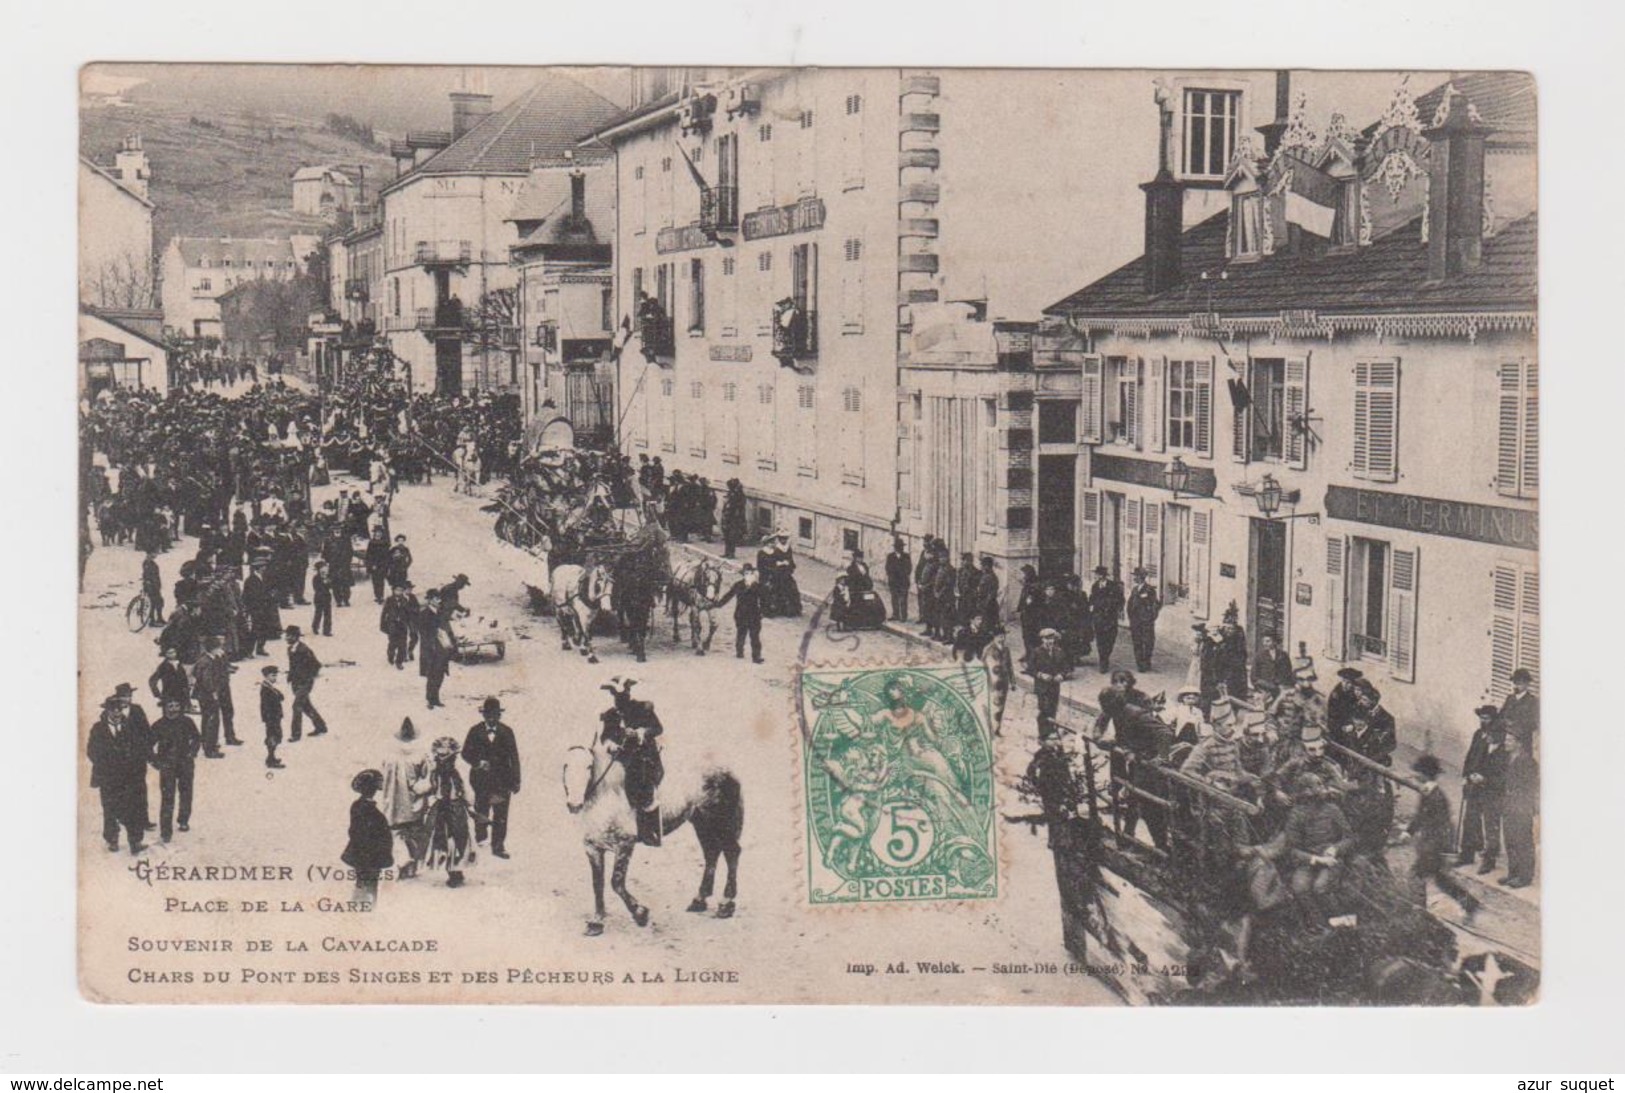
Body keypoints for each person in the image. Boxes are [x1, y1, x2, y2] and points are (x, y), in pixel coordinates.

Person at [1252, 773, 1356, 926]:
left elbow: (1349, 838)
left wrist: (1335, 849)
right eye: (1318, 785)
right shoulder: (1296, 815)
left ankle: (1345, 924)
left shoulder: (1333, 810)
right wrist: (1314, 859)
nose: (1323, 789)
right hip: (1308, 861)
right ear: (1307, 791)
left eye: (1322, 784)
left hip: (1332, 859)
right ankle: (1320, 926)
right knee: (1299, 887)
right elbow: (1292, 849)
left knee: (1320, 887)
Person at [1398, 755, 1480, 921]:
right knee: (1441, 880)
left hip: (1433, 845)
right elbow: (1420, 816)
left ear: (1424, 774)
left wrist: (1431, 847)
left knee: (1416, 876)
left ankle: (1419, 913)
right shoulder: (1429, 792)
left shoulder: (1435, 796)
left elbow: (1439, 825)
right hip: (1432, 844)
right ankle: (1469, 904)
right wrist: (1409, 831)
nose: (1414, 775)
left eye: (1417, 772)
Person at [600, 679, 666, 847]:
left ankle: (648, 829)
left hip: (644, 757)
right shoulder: (611, 714)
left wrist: (640, 732)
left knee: (641, 785)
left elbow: (658, 728)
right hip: (619, 759)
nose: (618, 700)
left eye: (622, 696)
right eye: (615, 696)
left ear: (628, 694)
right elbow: (605, 736)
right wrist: (610, 744)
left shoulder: (643, 709)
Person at [87, 694, 148, 854]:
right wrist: (108, 763)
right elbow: (92, 751)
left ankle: (135, 841)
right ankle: (112, 839)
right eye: (112, 710)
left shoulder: (130, 726)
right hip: (107, 777)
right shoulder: (98, 729)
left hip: (128, 776)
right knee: (109, 808)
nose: (116, 713)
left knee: (132, 807)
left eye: (118, 709)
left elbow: (138, 748)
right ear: (107, 711)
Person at [463, 697, 522, 859]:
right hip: (480, 780)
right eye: (488, 714)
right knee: (481, 809)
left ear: (499, 715)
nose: (491, 718)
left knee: (501, 814)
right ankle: (480, 839)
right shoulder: (475, 731)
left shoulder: (507, 731)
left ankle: (498, 846)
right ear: (483, 715)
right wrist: (478, 762)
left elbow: (514, 757)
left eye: (495, 714)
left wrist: (516, 781)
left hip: (503, 781)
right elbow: (465, 753)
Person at [1458, 704, 1508, 875]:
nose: (1482, 721)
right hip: (1474, 786)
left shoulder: (1504, 745)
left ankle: (1489, 860)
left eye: (1486, 719)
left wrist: (1485, 778)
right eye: (1481, 717)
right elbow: (1470, 757)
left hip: (1492, 791)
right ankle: (1466, 855)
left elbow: (1504, 773)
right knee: (1470, 820)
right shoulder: (1478, 734)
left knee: (1490, 825)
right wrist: (1467, 776)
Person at [379, 718, 430, 878]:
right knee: (414, 834)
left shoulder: (388, 755)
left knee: (397, 834)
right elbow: (427, 779)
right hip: (412, 802)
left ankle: (402, 862)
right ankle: (412, 865)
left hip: (393, 802)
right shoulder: (420, 754)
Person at [422, 736, 475, 888]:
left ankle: (456, 871)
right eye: (439, 754)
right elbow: (430, 785)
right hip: (441, 807)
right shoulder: (434, 769)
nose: (442, 757)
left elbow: (465, 787)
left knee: (458, 838)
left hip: (455, 807)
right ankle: (450, 870)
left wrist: (469, 803)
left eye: (446, 754)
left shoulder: (458, 769)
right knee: (442, 839)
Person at [149, 696, 201, 841]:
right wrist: (156, 762)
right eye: (170, 705)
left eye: (176, 705)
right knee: (167, 797)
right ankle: (166, 831)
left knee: (186, 793)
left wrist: (192, 753)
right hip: (167, 766)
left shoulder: (187, 722)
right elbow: (147, 746)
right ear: (164, 708)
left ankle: (183, 820)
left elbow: (196, 738)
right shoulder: (158, 725)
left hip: (185, 764)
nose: (174, 709)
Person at [341, 770, 394, 909]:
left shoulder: (357, 806)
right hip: (371, 856)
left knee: (361, 883)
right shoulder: (369, 809)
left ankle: (357, 907)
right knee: (370, 885)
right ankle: (366, 910)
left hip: (362, 854)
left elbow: (353, 831)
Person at [1499, 732, 1539, 888]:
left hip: (1521, 806)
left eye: (1509, 740)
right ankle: (1513, 874)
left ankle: (1525, 877)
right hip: (1509, 804)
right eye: (1506, 739)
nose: (1506, 742)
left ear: (1519, 743)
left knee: (1523, 841)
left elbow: (1530, 787)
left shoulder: (1528, 762)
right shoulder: (1509, 758)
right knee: (1510, 840)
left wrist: (1526, 806)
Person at [192, 635, 239, 756]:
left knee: (214, 718)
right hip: (210, 694)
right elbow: (206, 679)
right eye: (219, 646)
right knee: (211, 720)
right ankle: (209, 748)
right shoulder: (206, 661)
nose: (221, 648)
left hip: (218, 690)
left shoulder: (214, 657)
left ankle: (211, 743)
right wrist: (213, 692)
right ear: (213, 648)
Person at [284, 625, 328, 739]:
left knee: (296, 706)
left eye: (288, 636)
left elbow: (316, 665)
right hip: (295, 683)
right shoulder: (290, 649)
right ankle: (321, 726)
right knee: (306, 706)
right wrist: (290, 676)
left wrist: (308, 678)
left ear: (295, 637)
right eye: (286, 635)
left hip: (304, 683)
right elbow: (293, 665)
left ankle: (296, 735)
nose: (286, 638)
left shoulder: (304, 650)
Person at [715, 564, 765, 664]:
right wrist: (718, 604)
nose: (748, 575)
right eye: (746, 573)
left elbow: (764, 600)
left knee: (755, 636)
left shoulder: (758, 586)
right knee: (741, 633)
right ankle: (739, 650)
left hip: (754, 614)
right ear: (743, 575)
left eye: (750, 573)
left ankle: (756, 656)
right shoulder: (738, 585)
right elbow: (729, 595)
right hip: (741, 614)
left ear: (753, 574)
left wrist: (763, 612)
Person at [1031, 628, 1072, 740]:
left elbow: (1067, 668)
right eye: (1047, 639)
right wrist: (1040, 675)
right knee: (1044, 709)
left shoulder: (1059, 652)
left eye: (1052, 639)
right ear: (1042, 640)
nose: (1050, 642)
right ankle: (1043, 733)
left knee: (1053, 708)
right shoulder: (1036, 652)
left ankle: (1050, 730)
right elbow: (1031, 668)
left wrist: (1062, 675)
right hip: (1042, 687)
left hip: (1054, 686)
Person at [417, 589, 454, 708]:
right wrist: (432, 640)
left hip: (442, 648)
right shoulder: (424, 614)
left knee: (440, 674)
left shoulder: (440, 612)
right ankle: (430, 699)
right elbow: (423, 632)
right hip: (430, 649)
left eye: (439, 598)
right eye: (436, 598)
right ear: (430, 600)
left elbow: (447, 627)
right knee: (432, 675)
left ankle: (436, 698)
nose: (439, 600)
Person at [240, 555, 280, 657]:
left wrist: (272, 594)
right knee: (255, 629)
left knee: (265, 628)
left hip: (266, 607)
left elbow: (270, 588)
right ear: (258, 567)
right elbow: (248, 595)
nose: (265, 568)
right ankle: (249, 650)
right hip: (256, 609)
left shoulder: (265, 578)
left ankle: (260, 648)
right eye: (263, 566)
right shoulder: (250, 580)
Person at [1088, 566, 1125, 672]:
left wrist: (1118, 610)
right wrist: (1091, 607)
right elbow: (1092, 598)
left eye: (1097, 574)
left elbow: (1120, 599)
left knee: (1110, 639)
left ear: (1102, 575)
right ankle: (1103, 661)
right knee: (1100, 639)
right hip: (1099, 617)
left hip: (1110, 617)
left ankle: (1106, 655)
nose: (1095, 576)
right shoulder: (1095, 586)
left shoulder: (1113, 586)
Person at [1125, 567, 1161, 673]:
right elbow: (1130, 604)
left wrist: (1151, 617)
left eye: (1136, 576)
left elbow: (1156, 605)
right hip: (1136, 621)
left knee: (1148, 642)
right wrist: (1130, 617)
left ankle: (1147, 661)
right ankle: (1140, 664)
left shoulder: (1150, 590)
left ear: (1141, 577)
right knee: (1137, 642)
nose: (1134, 578)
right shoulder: (1135, 589)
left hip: (1146, 622)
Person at [981, 623, 1014, 736]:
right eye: (1000, 636)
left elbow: (1010, 666)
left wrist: (1013, 681)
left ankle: (997, 728)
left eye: (1003, 636)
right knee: (992, 704)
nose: (1002, 638)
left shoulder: (1006, 649)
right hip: (992, 682)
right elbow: (983, 666)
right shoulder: (988, 649)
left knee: (1001, 705)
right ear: (994, 637)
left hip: (1004, 682)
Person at [1498, 668, 1539, 749]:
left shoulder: (1532, 701)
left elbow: (1534, 723)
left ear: (1527, 684)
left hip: (1523, 741)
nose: (1517, 685)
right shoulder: (1510, 699)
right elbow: (1501, 716)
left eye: (1520, 683)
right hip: (1507, 740)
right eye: (1515, 682)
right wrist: (1505, 723)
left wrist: (1516, 726)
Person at [381, 581, 416, 670]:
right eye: (397, 590)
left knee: (403, 644)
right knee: (393, 643)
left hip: (402, 625)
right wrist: (383, 625)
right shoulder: (389, 600)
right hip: (392, 625)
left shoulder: (405, 600)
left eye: (401, 590)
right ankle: (391, 656)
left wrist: (410, 625)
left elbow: (408, 614)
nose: (399, 592)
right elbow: (384, 613)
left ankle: (399, 661)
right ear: (393, 591)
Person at [1014, 565, 1043, 670]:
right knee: (1027, 638)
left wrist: (1023, 610)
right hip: (1027, 617)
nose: (1022, 577)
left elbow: (1029, 603)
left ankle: (1032, 664)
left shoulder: (1033, 588)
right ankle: (1029, 657)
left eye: (1023, 574)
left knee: (1031, 639)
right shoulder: (1028, 586)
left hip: (1032, 618)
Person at [258, 664, 286, 768]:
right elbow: (267, 705)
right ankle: (270, 759)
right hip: (272, 718)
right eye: (273, 676)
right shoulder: (266, 689)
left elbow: (281, 696)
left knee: (275, 736)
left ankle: (271, 757)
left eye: (275, 676)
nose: (275, 678)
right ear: (266, 676)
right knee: (273, 737)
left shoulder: (269, 687)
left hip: (274, 717)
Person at [148, 647, 190, 712]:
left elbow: (185, 682)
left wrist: (187, 699)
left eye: (174, 652)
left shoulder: (179, 665)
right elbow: (152, 680)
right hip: (168, 696)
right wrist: (158, 694)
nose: (172, 654)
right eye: (170, 653)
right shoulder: (163, 666)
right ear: (166, 654)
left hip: (180, 697)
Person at [1252, 634, 1293, 700]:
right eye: (1264, 641)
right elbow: (1254, 677)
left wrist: (1283, 684)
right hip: (1264, 689)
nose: (1265, 643)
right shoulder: (1259, 656)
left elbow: (1288, 672)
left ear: (1274, 642)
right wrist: (1267, 685)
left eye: (1268, 641)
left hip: (1280, 689)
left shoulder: (1283, 655)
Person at [885, 538, 912, 623]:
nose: (900, 548)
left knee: (903, 599)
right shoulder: (890, 556)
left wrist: (903, 573)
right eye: (898, 547)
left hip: (903, 581)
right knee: (894, 598)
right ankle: (895, 614)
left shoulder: (906, 556)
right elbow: (888, 568)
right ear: (895, 548)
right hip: (894, 581)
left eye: (901, 547)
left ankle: (903, 616)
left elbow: (909, 568)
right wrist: (892, 575)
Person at [720, 479, 747, 559]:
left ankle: (731, 553)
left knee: (731, 536)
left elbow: (738, 508)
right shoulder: (730, 494)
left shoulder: (737, 495)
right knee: (727, 536)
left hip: (733, 519)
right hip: (727, 518)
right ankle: (727, 552)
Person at [364, 527, 391, 604]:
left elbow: (387, 555)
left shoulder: (385, 543)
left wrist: (387, 564)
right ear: (374, 533)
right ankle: (377, 595)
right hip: (374, 565)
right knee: (375, 581)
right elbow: (369, 555)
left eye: (380, 532)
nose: (378, 534)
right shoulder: (371, 543)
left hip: (382, 564)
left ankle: (381, 596)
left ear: (382, 534)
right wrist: (371, 564)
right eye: (377, 532)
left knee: (381, 581)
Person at [141, 550, 166, 625]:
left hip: (155, 585)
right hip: (150, 586)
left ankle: (159, 617)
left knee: (160, 601)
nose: (156, 554)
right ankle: (152, 620)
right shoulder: (147, 563)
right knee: (154, 602)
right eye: (154, 553)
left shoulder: (151, 563)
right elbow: (146, 575)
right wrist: (148, 582)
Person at [311, 560, 334, 638]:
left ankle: (327, 630)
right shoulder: (316, 578)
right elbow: (316, 588)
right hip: (319, 597)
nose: (324, 571)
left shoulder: (328, 577)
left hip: (327, 597)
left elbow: (331, 586)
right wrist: (324, 583)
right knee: (318, 613)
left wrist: (328, 582)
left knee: (328, 614)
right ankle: (315, 626)